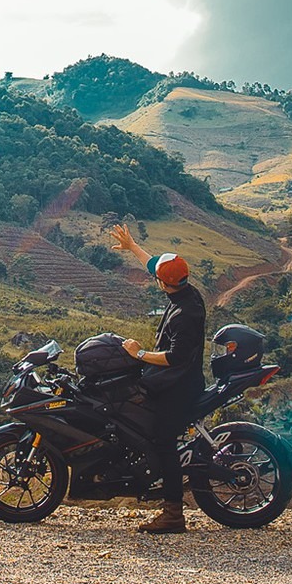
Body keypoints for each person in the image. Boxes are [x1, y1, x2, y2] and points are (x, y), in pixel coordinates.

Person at [108, 221, 207, 534]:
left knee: (163, 440)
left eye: (158, 279)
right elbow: (156, 266)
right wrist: (132, 246)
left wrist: (138, 354)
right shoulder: (186, 292)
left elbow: (175, 358)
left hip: (180, 386)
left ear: (165, 284)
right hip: (169, 379)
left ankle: (173, 513)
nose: (156, 280)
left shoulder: (186, 314)